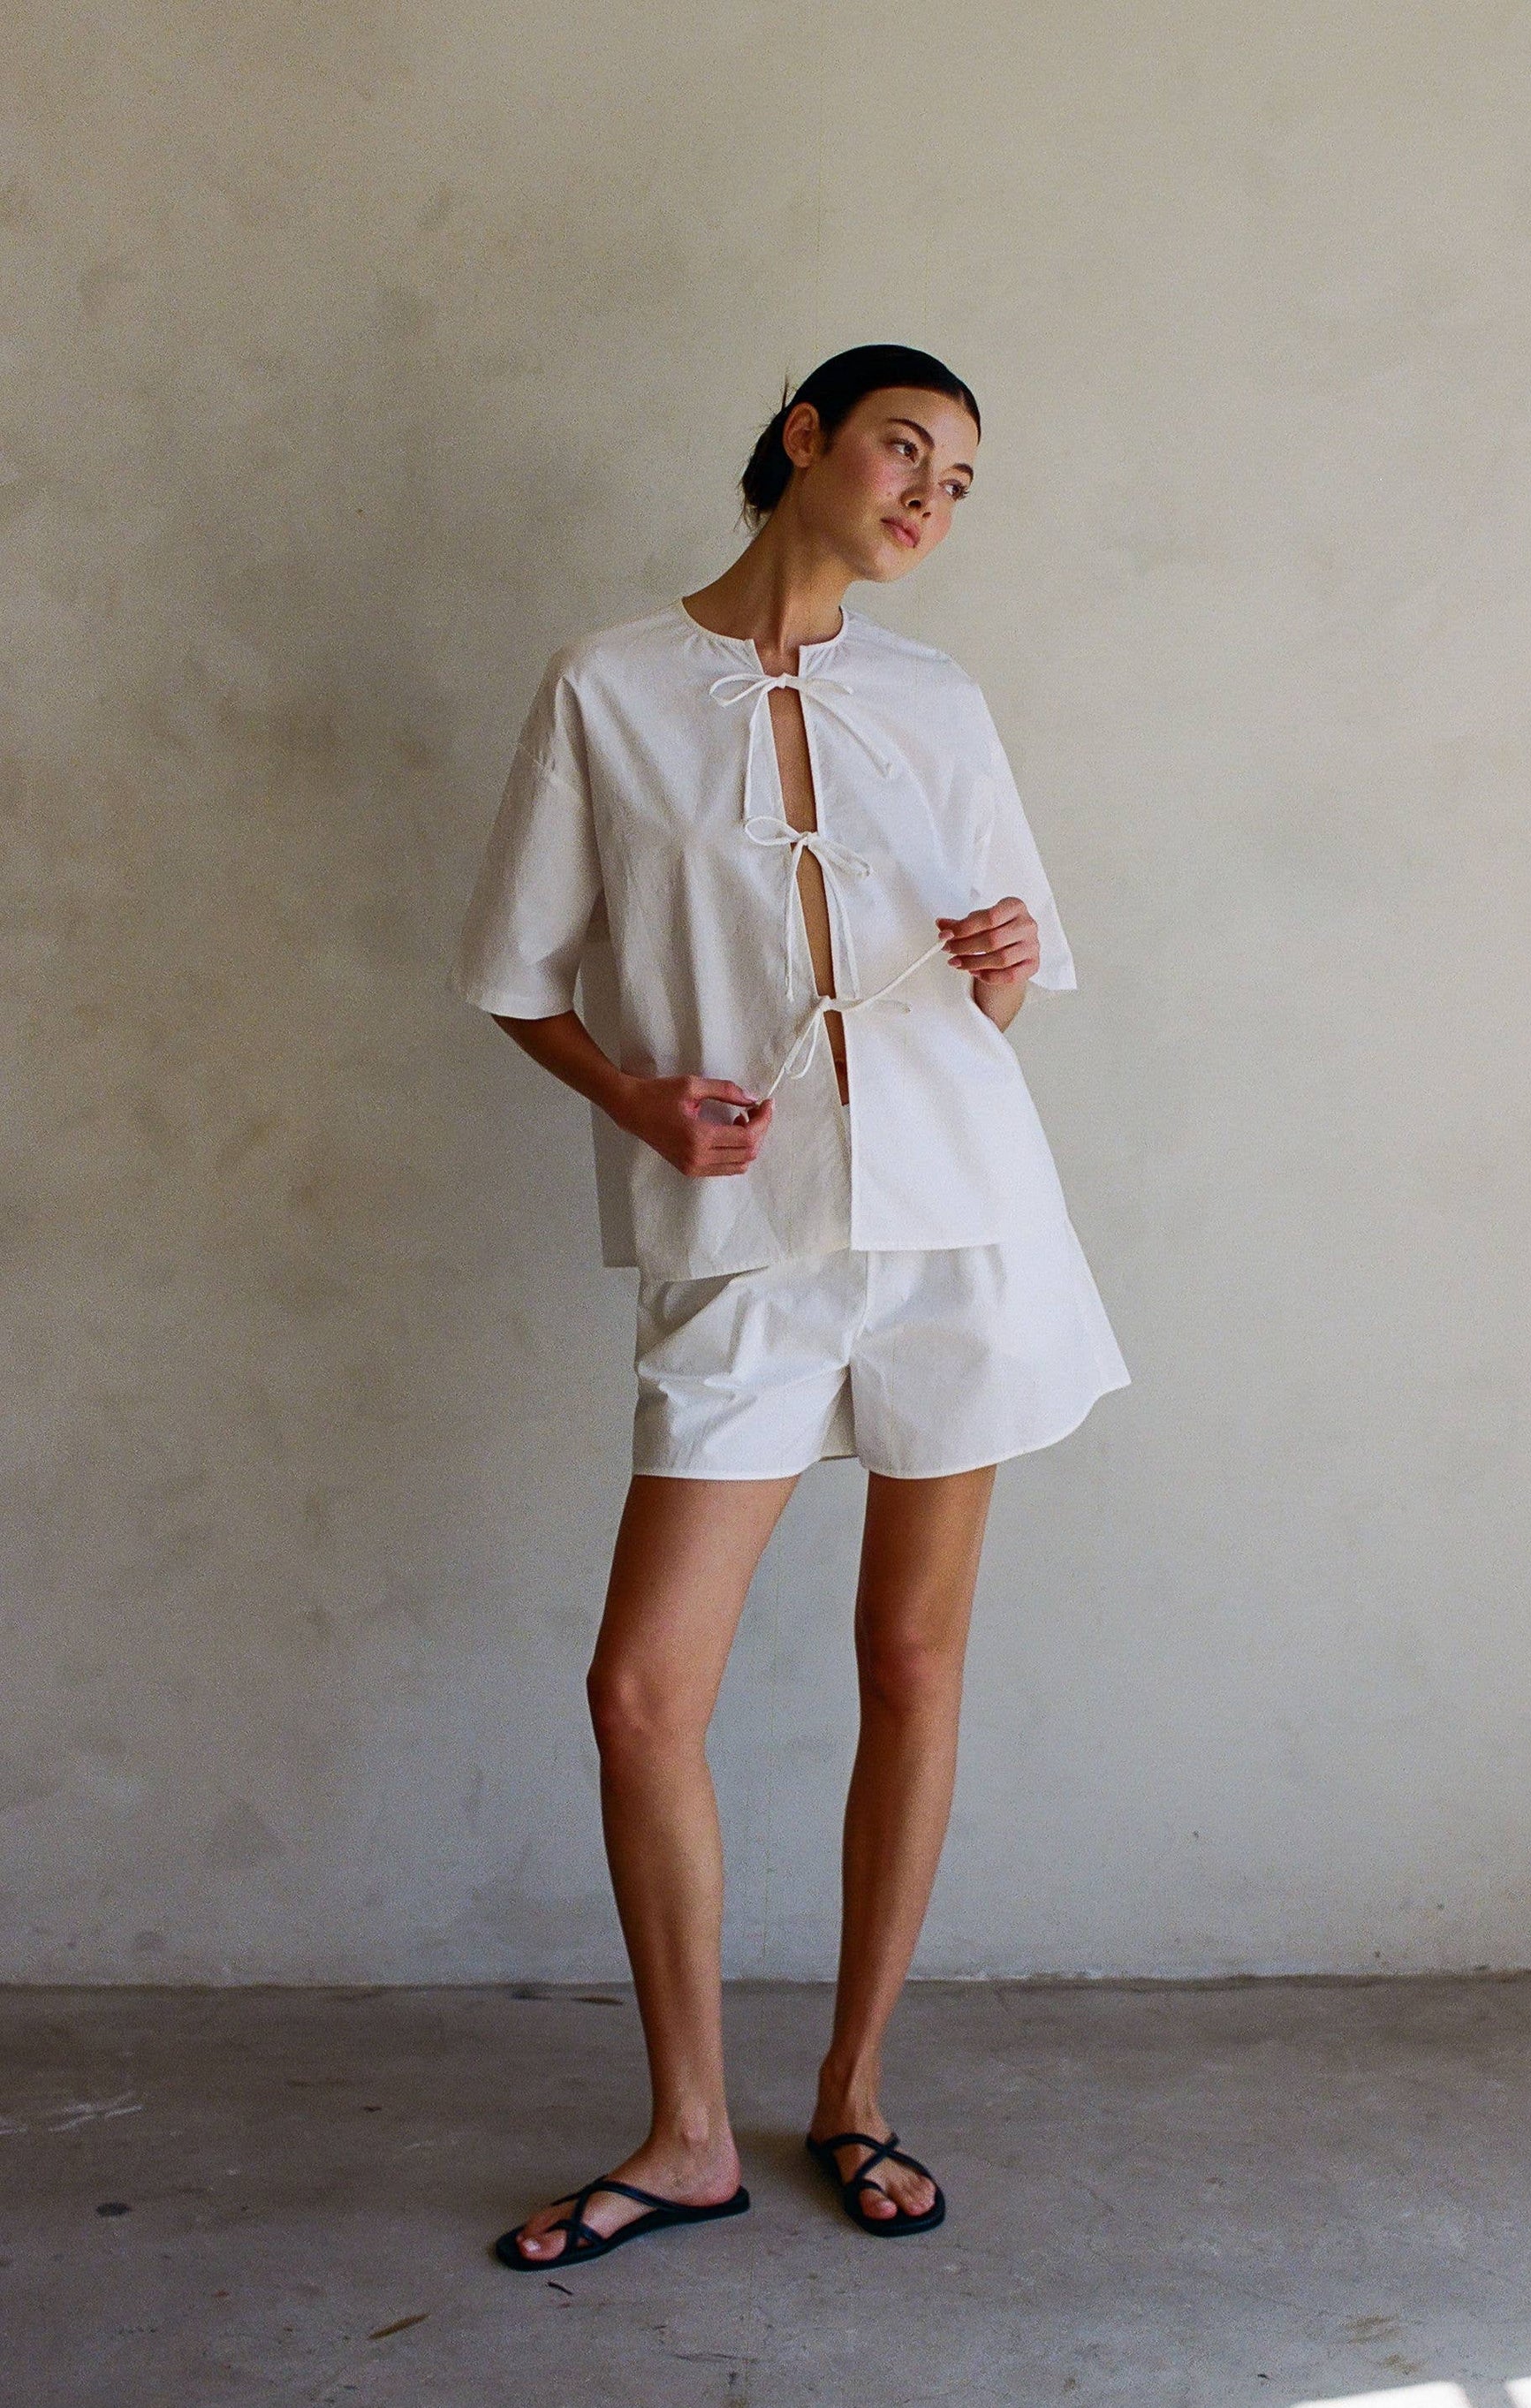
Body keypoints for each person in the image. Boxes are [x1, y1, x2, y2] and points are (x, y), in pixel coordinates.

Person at [451, 344, 1131, 2267]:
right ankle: (685, 2132)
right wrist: (637, 1101)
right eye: (907, 449)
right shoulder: (607, 686)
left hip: (957, 1226)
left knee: (909, 1661)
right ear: (804, 436)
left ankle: (854, 2087)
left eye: (961, 481)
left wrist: (999, 957)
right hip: (743, 1232)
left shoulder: (937, 697)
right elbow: (516, 974)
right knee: (640, 1691)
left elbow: (996, 989)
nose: (929, 498)